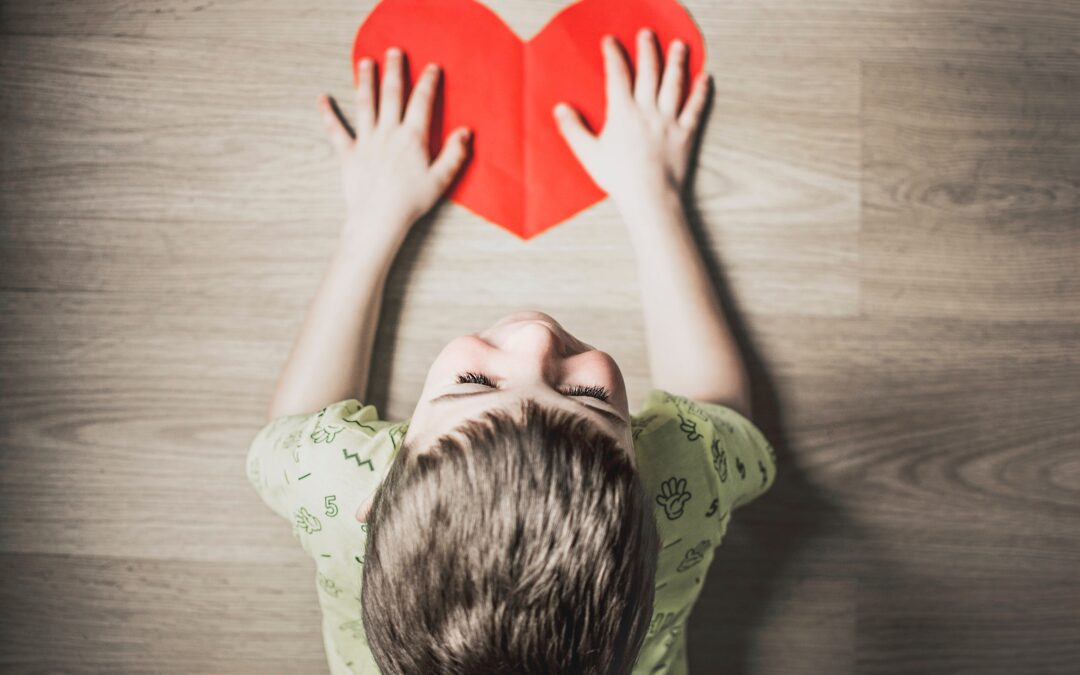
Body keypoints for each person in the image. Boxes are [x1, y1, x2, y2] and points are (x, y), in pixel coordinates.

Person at [246, 27, 777, 675]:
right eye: (586, 395)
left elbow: (288, 432)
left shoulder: (331, 478)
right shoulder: (680, 481)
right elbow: (725, 417)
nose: (536, 338)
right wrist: (653, 195)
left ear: (376, 495)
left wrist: (371, 221)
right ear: (653, 495)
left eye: (473, 381)